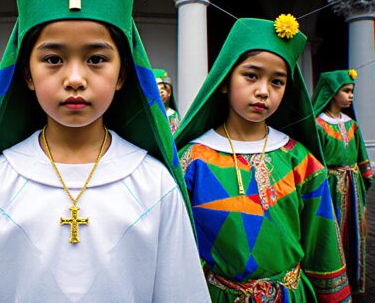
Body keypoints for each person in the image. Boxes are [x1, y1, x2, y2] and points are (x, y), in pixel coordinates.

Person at [0, 0, 209, 302]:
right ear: (27, 74)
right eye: (53, 59)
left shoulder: (154, 183)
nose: (75, 79)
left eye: (97, 59)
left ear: (122, 74)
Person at [175, 15, 351, 302]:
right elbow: (177, 247)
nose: (263, 91)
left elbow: (323, 244)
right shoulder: (192, 161)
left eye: (277, 82)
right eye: (251, 75)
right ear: (224, 81)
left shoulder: (301, 160)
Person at [312, 69, 372, 294]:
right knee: (331, 233)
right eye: (346, 91)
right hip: (330, 187)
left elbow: (361, 155)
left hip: (353, 186)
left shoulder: (351, 125)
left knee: (354, 232)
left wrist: (365, 178)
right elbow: (314, 162)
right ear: (331, 92)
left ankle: (352, 281)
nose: (351, 96)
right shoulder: (318, 126)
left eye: (352, 91)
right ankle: (331, 286)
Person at [153, 68, 180, 134]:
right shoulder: (150, 113)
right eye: (157, 90)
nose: (161, 93)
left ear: (169, 92)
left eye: (163, 89)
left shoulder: (173, 114)